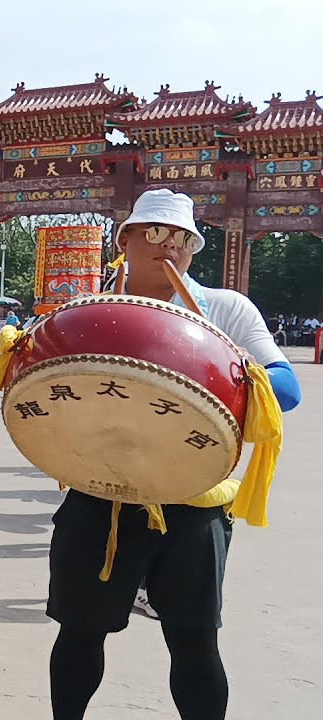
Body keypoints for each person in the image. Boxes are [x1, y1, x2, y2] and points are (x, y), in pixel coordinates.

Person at [47, 189, 301, 720]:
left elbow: (287, 387)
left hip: (192, 496)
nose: (170, 247)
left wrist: (215, 377)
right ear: (126, 241)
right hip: (100, 492)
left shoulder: (227, 310)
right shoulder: (93, 312)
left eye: (183, 238)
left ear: (195, 246)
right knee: (80, 631)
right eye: (155, 233)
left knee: (193, 639)